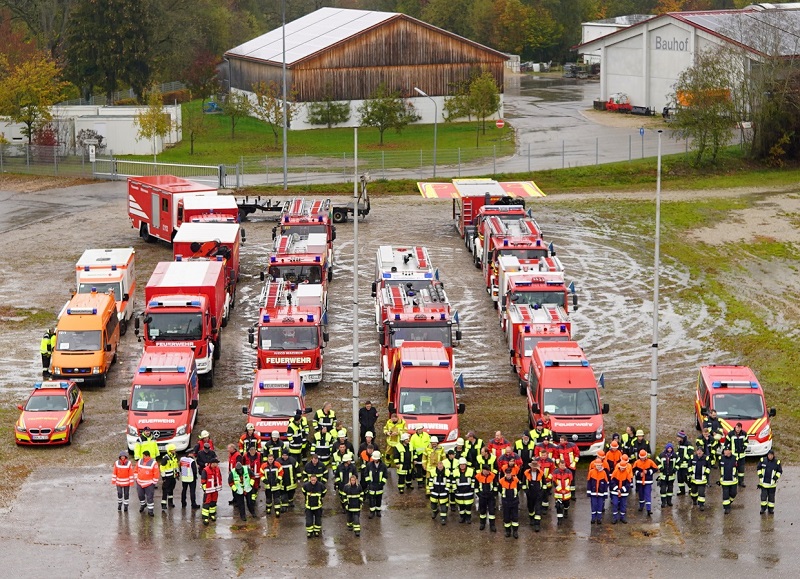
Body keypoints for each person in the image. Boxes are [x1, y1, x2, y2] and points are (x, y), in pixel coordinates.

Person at [522, 458, 546, 531]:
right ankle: (531, 518)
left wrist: (542, 492)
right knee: (530, 507)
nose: (534, 468)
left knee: (538, 508)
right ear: (531, 467)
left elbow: (544, 484)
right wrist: (526, 491)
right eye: (533, 467)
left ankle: (537, 524)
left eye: (535, 467)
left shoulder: (541, 473)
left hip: (538, 492)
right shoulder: (526, 473)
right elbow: (523, 483)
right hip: (530, 493)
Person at [633, 449, 658, 516]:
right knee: (641, 495)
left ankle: (648, 509)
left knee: (647, 495)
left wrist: (648, 472)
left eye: (643, 457)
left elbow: (655, 469)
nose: (642, 458)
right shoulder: (637, 462)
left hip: (648, 481)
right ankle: (641, 506)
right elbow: (634, 470)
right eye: (641, 457)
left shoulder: (650, 462)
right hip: (640, 481)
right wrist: (639, 474)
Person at [135, 450, 159, 517]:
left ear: (147, 455)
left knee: (150, 497)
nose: (143, 457)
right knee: (140, 495)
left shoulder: (153, 463)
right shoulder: (140, 461)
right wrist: (136, 478)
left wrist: (154, 482)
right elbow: (136, 470)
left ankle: (150, 511)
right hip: (140, 482)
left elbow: (156, 473)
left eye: (144, 455)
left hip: (149, 483)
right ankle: (143, 505)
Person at [609, 454, 633, 524]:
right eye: (621, 467)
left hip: (623, 492)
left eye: (623, 468)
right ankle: (615, 518)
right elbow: (612, 481)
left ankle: (622, 517)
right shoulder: (616, 472)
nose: (622, 469)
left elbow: (628, 483)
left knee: (623, 505)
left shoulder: (627, 473)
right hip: (615, 492)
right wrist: (617, 489)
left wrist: (622, 490)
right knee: (615, 504)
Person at [757, 449, 782, 514]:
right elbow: (758, 468)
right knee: (763, 497)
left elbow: (780, 471)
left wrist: (776, 477)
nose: (770, 456)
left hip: (772, 484)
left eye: (771, 455)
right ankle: (763, 508)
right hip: (763, 483)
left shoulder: (777, 462)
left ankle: (771, 509)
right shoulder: (762, 460)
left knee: (771, 497)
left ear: (773, 456)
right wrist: (760, 475)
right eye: (769, 455)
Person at [200, 456, 223, 525]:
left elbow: (220, 477)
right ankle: (205, 517)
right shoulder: (205, 470)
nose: (217, 465)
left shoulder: (217, 469)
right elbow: (203, 480)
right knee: (206, 503)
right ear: (212, 463)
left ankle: (212, 514)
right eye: (216, 463)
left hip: (215, 489)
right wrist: (205, 490)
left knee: (213, 503)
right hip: (208, 490)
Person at [475, 463, 498, 532]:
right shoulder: (478, 476)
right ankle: (482, 524)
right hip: (482, 496)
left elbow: (495, 486)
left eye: (489, 471)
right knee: (482, 511)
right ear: (483, 470)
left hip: (490, 496)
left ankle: (492, 525)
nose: (488, 472)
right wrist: (479, 494)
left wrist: (494, 494)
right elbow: (476, 487)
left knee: (491, 511)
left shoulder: (493, 476)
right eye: (487, 470)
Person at [365, 450, 388, 518]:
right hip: (371, 485)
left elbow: (385, 475)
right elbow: (366, 474)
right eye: (374, 459)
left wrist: (382, 483)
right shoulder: (369, 465)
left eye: (376, 459)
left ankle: (378, 511)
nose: (375, 460)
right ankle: (372, 512)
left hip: (379, 485)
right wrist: (369, 482)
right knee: (371, 499)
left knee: (378, 498)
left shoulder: (383, 466)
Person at [499, 467, 521, 538]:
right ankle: (508, 531)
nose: (508, 475)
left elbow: (519, 488)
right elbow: (500, 489)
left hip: (514, 501)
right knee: (506, 517)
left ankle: (515, 531)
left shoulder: (516, 480)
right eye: (507, 474)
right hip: (506, 502)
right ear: (505, 474)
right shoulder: (501, 481)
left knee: (515, 517)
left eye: (509, 473)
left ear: (511, 473)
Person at [261, 453, 284, 518]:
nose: (270, 460)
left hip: (276, 485)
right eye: (269, 459)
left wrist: (278, 479)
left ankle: (277, 510)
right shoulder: (263, 466)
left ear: (273, 459)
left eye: (271, 459)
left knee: (276, 499)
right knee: (268, 499)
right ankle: (268, 509)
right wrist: (264, 480)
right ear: (267, 459)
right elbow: (261, 474)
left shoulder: (277, 465)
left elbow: (281, 472)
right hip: (268, 486)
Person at [587, 458, 609, 525]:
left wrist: (605, 494)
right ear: (595, 465)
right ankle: (593, 518)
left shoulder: (604, 473)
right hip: (593, 493)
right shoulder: (591, 472)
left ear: (601, 465)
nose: (598, 466)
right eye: (597, 465)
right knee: (593, 506)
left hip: (601, 493)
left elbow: (606, 484)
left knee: (600, 506)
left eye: (599, 465)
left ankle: (599, 519)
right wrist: (588, 492)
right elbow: (589, 483)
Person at [303, 473, 326, 538]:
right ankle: (309, 532)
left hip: (318, 506)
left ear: (316, 479)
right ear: (310, 479)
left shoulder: (320, 485)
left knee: (318, 520)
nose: (313, 481)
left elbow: (324, 492)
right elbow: (303, 491)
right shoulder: (306, 485)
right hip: (309, 506)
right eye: (312, 480)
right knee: (309, 520)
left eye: (314, 480)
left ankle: (316, 531)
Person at [453, 457, 475, 523]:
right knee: (461, 506)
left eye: (463, 464)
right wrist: (455, 489)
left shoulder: (471, 471)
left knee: (468, 506)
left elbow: (473, 480)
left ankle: (468, 518)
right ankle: (462, 517)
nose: (462, 466)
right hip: (459, 491)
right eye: (461, 464)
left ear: (466, 464)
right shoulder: (455, 471)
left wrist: (472, 487)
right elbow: (453, 481)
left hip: (468, 491)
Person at [689, 446, 710, 511]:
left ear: (703, 452)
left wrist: (705, 474)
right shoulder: (692, 457)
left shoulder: (706, 458)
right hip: (694, 479)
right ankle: (694, 500)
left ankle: (701, 505)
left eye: (701, 451)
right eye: (698, 450)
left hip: (702, 479)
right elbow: (689, 465)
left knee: (701, 493)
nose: (699, 452)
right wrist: (690, 473)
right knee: (693, 492)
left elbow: (708, 467)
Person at [718, 446, 738, 514]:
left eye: (726, 450)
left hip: (733, 480)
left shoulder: (735, 458)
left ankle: (729, 501)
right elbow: (720, 468)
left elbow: (738, 467)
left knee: (733, 493)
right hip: (724, 480)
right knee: (725, 494)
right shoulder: (721, 458)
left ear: (730, 451)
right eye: (724, 450)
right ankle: (727, 508)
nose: (725, 452)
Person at [657, 443, 678, 507]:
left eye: (670, 448)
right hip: (663, 476)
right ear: (666, 448)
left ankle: (669, 501)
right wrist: (660, 467)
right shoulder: (661, 455)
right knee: (663, 489)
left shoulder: (675, 455)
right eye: (668, 448)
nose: (669, 449)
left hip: (671, 476)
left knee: (670, 489)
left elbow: (678, 463)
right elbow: (657, 461)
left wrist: (675, 469)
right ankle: (663, 502)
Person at [159, 443, 179, 511]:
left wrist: (177, 473)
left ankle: (170, 502)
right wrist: (163, 477)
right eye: (173, 450)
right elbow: (162, 468)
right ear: (170, 451)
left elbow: (176, 465)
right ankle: (163, 504)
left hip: (173, 476)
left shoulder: (175, 456)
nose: (175, 451)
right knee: (165, 490)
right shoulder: (166, 458)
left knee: (171, 490)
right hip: (167, 477)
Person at [727, 422, 748, 487]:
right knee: (733, 469)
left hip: (742, 455)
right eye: (737, 428)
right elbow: (726, 443)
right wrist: (728, 450)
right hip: (733, 455)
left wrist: (744, 447)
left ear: (741, 428)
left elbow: (746, 442)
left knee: (741, 470)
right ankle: (734, 481)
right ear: (735, 427)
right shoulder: (730, 434)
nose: (738, 429)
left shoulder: (744, 434)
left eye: (739, 428)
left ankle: (741, 482)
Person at [242, 446, 262, 511]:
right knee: (249, 485)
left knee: (256, 486)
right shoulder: (245, 456)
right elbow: (243, 464)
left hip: (257, 474)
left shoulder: (259, 455)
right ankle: (250, 497)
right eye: (251, 451)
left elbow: (261, 463)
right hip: (248, 474)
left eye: (254, 451)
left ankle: (253, 498)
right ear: (249, 451)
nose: (253, 452)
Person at [536, 447, 556, 514]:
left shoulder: (550, 461)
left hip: (547, 481)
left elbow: (553, 470)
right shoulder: (537, 460)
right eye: (542, 455)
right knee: (539, 494)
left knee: (546, 495)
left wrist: (549, 478)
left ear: (547, 455)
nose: (543, 456)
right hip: (539, 481)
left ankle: (545, 508)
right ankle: (539, 507)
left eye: (544, 455)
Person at [280, 446, 299, 510]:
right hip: (282, 481)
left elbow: (297, 468)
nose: (284, 456)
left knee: (291, 492)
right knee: (283, 493)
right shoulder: (278, 461)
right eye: (283, 455)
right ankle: (284, 506)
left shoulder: (292, 460)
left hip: (291, 481)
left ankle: (290, 502)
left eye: (286, 455)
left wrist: (298, 477)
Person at [676, 431, 694, 496]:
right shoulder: (679, 444)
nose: (677, 438)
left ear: (682, 437)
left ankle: (691, 488)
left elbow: (690, 453)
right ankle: (682, 490)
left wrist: (683, 459)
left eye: (678, 437)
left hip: (686, 465)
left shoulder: (688, 444)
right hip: (680, 465)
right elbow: (678, 452)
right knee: (679, 479)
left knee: (686, 478)